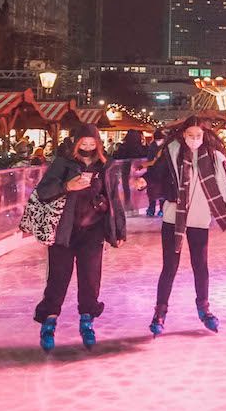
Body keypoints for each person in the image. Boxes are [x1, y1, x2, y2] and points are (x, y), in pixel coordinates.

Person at [143, 116, 226, 335]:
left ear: (204, 136)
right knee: (170, 266)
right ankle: (160, 312)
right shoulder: (172, 153)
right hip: (173, 216)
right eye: (190, 135)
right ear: (183, 134)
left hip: (199, 217)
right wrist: (144, 182)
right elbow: (156, 173)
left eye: (198, 136)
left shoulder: (214, 158)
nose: (194, 139)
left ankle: (204, 309)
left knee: (200, 265)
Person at [32, 123, 126, 351]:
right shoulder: (63, 164)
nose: (87, 146)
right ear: (75, 143)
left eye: (91, 142)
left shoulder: (106, 167)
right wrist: (67, 186)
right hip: (64, 231)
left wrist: (119, 229)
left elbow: (114, 198)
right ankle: (49, 322)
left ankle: (87, 320)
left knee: (90, 278)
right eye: (83, 142)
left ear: (98, 143)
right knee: (58, 279)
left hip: (93, 231)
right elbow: (43, 191)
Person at [111, 129, 146, 213]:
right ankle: (136, 205)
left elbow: (115, 156)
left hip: (125, 169)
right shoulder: (141, 148)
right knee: (137, 186)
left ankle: (127, 203)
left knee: (126, 186)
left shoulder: (123, 147)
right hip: (139, 170)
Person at [145, 129, 168, 217]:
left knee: (161, 191)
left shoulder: (163, 145)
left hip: (161, 172)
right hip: (155, 172)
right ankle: (153, 208)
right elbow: (149, 159)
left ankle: (160, 209)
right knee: (153, 192)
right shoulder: (153, 145)